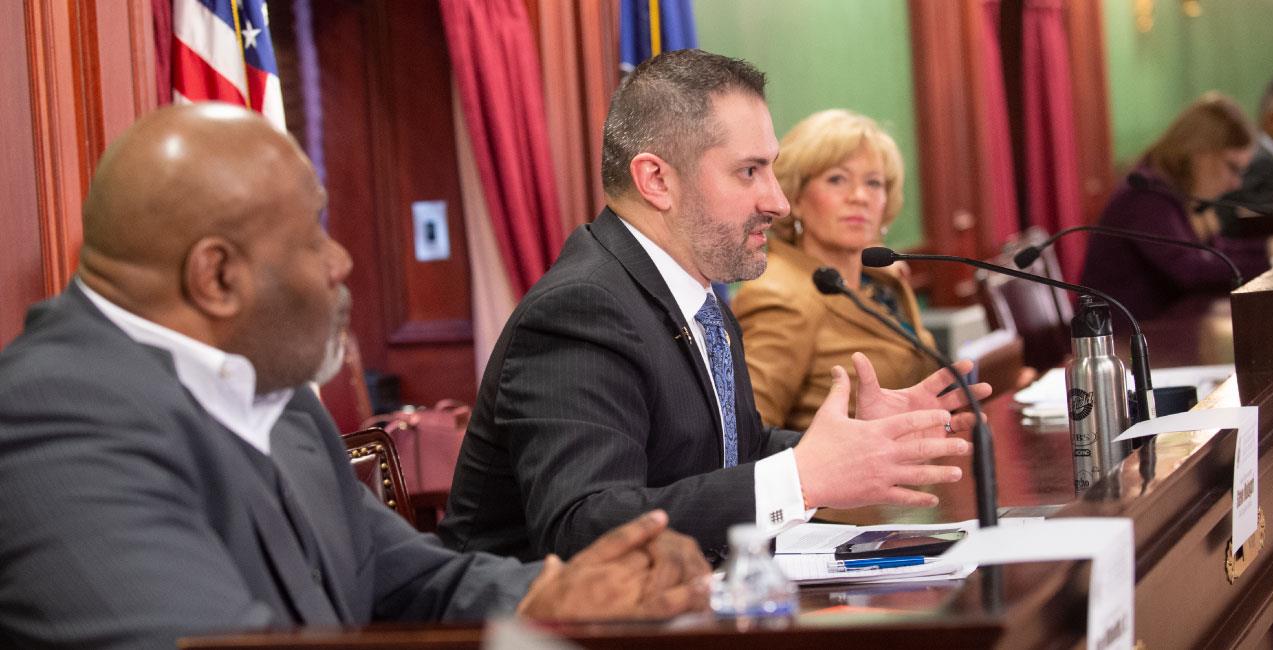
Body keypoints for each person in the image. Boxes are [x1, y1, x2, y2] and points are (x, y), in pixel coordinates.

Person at [0, 103, 711, 649]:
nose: (340, 260)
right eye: (314, 234)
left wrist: (568, 595)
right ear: (216, 275)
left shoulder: (273, 394)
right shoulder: (50, 421)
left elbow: (413, 579)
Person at [439, 50, 988, 563]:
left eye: (771, 169)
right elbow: (585, 527)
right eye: (749, 171)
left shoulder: (696, 294)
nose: (778, 202)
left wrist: (850, 440)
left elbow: (730, 450)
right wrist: (801, 476)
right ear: (656, 180)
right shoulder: (581, 309)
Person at [731, 109, 938, 431]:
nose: (859, 197)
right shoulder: (780, 296)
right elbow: (749, 435)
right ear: (796, 198)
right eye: (837, 179)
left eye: (873, 183)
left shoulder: (883, 279)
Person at [1080, 93, 1273, 320]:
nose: (1237, 183)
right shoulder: (1145, 194)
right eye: (1232, 167)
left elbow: (1214, 252)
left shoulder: (1174, 191)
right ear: (1199, 153)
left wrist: (1266, 248)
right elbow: (1190, 270)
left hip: (1159, 331)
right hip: (1124, 340)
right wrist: (1269, 261)